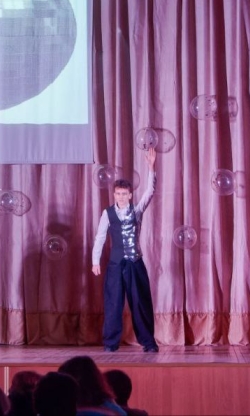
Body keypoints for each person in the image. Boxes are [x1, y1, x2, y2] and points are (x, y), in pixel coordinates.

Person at [91, 148, 158, 353]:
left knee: (140, 303)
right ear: (114, 194)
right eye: (118, 194)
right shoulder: (108, 213)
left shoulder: (137, 210)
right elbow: (100, 236)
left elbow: (150, 191)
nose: (120, 197)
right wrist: (95, 261)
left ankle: (148, 342)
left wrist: (151, 167)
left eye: (124, 194)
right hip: (115, 265)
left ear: (130, 195)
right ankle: (110, 343)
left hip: (135, 264)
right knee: (113, 304)